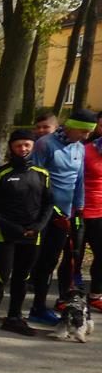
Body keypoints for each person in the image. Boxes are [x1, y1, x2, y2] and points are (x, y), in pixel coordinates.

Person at [0, 129, 53, 337]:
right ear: (12, 147)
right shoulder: (1, 173)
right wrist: (11, 226)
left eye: (27, 145)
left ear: (33, 146)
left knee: (23, 277)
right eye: (18, 145)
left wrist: (38, 226)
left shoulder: (42, 173)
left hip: (32, 234)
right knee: (1, 275)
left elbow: (49, 204)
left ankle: (14, 317)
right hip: (6, 234)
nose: (23, 149)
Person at [28, 110, 92, 324]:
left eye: (88, 133)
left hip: (66, 214)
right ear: (71, 126)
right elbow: (36, 179)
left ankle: (39, 306)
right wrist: (49, 210)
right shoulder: (45, 144)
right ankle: (20, 308)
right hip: (44, 213)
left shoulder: (79, 147)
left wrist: (79, 208)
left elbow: (79, 180)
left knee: (51, 261)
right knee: (34, 259)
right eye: (83, 131)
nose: (85, 136)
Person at [84, 117, 102, 311]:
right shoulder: (86, 150)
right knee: (74, 257)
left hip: (101, 212)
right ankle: (68, 297)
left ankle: (95, 295)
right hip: (83, 211)